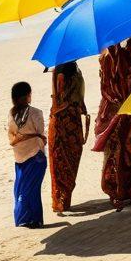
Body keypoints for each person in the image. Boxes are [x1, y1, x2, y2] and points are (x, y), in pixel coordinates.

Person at [94, 35, 131, 209]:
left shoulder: (112, 56)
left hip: (118, 113)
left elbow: (107, 88)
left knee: (119, 153)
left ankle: (119, 191)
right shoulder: (130, 57)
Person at [48, 60, 89, 214]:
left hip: (61, 123)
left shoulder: (58, 74)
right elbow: (78, 101)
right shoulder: (77, 74)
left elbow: (58, 102)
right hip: (73, 122)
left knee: (59, 163)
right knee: (70, 160)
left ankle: (60, 201)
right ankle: (65, 200)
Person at [7, 81, 47, 228]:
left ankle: (24, 219)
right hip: (35, 155)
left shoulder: (12, 114)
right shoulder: (36, 112)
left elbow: (11, 135)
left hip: (19, 157)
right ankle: (34, 220)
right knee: (33, 189)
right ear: (28, 95)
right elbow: (40, 132)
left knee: (21, 189)